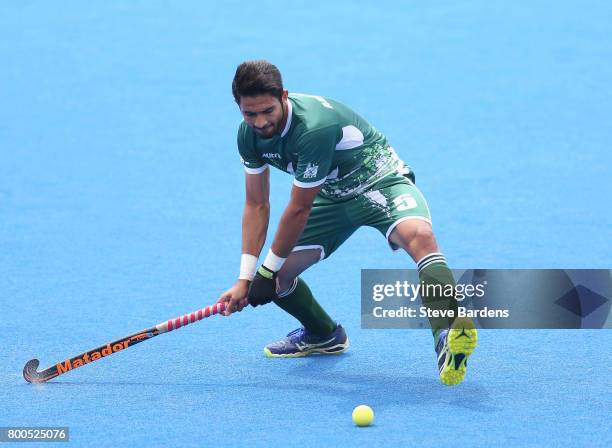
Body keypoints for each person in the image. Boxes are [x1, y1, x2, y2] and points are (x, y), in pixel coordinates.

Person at [217, 60, 477, 385]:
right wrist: (247, 278)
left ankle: (448, 331)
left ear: (283, 96)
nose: (260, 122)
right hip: (330, 197)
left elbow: (298, 209)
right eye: (249, 114)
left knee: (420, 236)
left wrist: (264, 273)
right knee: (280, 279)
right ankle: (323, 335)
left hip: (378, 181)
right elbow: (256, 204)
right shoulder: (248, 137)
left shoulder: (313, 127)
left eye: (267, 110)